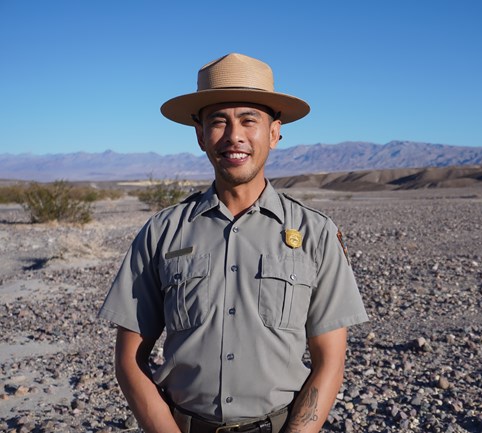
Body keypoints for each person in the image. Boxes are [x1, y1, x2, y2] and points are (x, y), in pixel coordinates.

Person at [98, 53, 369, 433]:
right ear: (199, 134)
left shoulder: (315, 233)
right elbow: (128, 359)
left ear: (275, 133)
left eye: (249, 120)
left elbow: (330, 362)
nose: (234, 136)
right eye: (218, 122)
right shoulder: (161, 233)